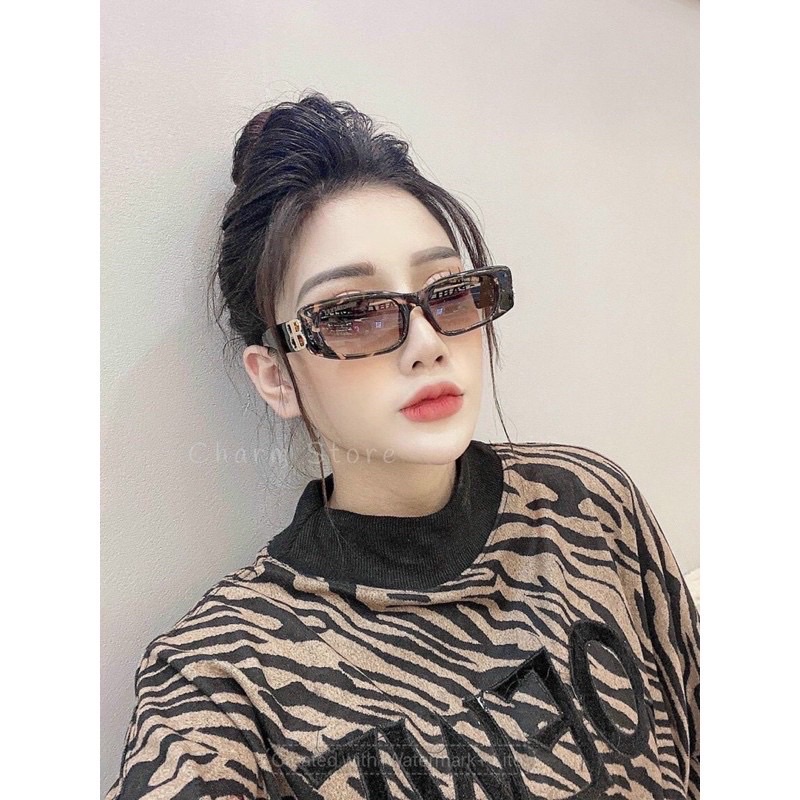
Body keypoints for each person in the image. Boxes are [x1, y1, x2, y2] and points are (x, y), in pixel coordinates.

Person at [105, 92, 699, 800]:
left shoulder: (586, 505)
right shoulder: (224, 679)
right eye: (353, 314)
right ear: (277, 377)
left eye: (449, 292)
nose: (426, 343)